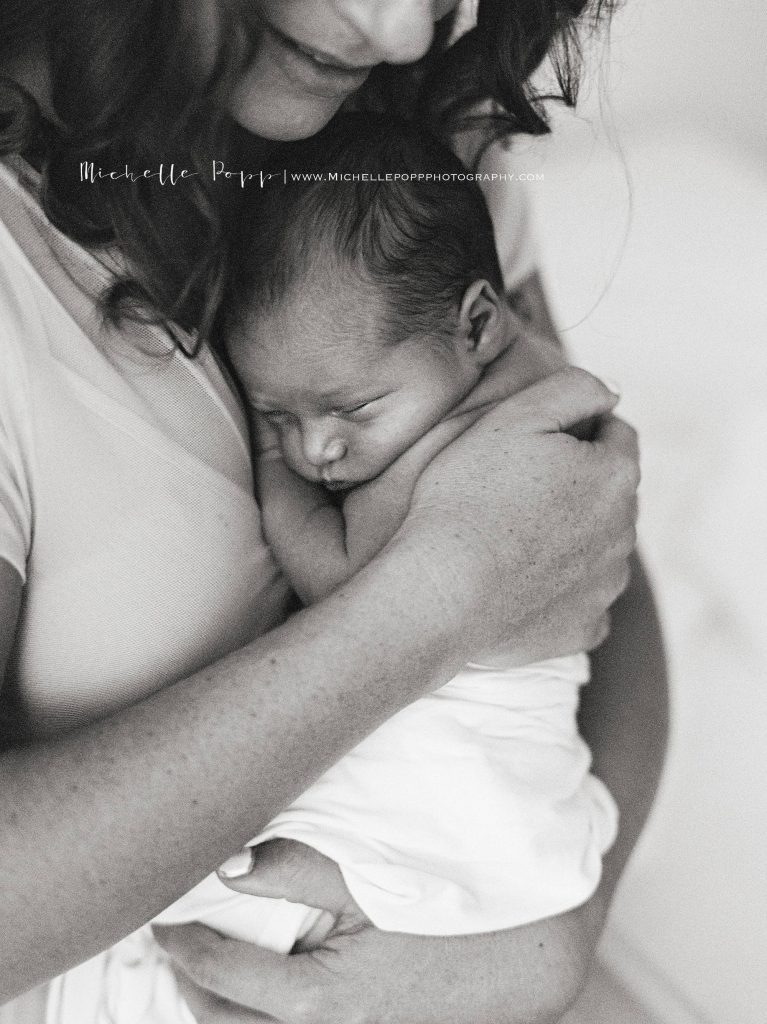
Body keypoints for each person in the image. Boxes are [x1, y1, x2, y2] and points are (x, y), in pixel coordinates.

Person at [0, 3, 666, 1023]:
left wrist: (554, 936)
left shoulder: (417, 168)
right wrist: (435, 605)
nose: (405, 30)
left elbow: (586, 551)